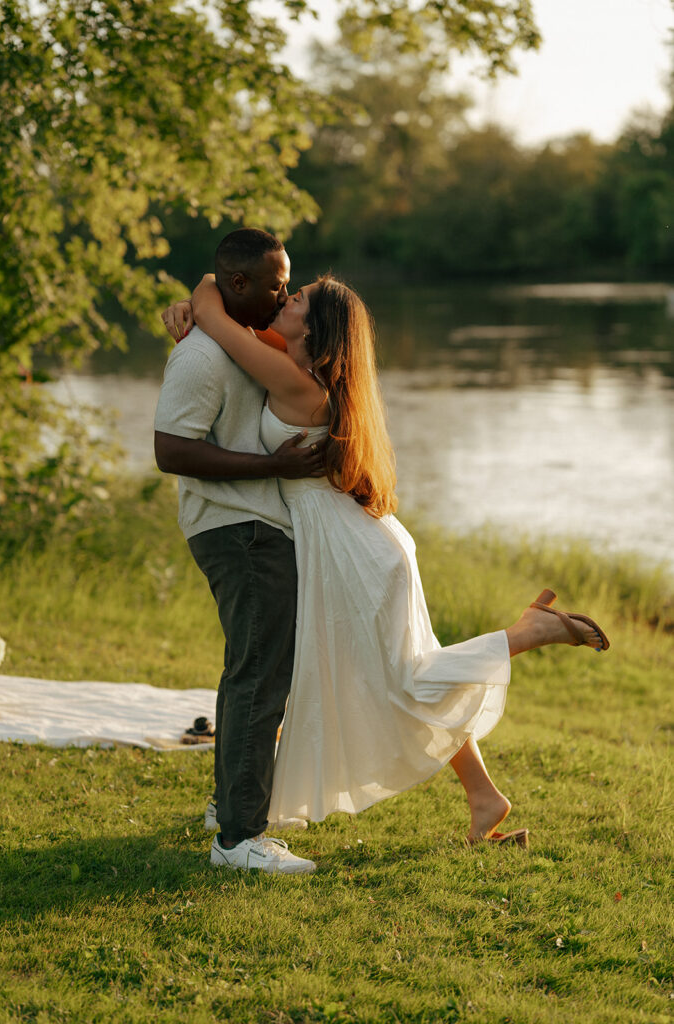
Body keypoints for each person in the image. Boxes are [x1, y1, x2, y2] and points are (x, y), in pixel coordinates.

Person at [163, 271, 610, 866]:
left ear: (314, 328)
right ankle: (484, 797)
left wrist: (201, 298)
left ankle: (530, 631)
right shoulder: (301, 364)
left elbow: (216, 310)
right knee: (401, 676)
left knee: (403, 679)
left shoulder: (294, 380)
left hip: (350, 551)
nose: (283, 299)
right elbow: (225, 305)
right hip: (357, 543)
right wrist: (193, 303)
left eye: (294, 298)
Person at [155, 228, 326, 876]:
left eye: (289, 282)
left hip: (254, 524)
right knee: (257, 679)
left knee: (253, 675)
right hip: (236, 529)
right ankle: (238, 839)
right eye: (277, 282)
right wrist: (270, 468)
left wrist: (198, 298)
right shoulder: (201, 356)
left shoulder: (249, 341)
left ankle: (230, 806)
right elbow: (170, 449)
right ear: (238, 284)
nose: (284, 291)